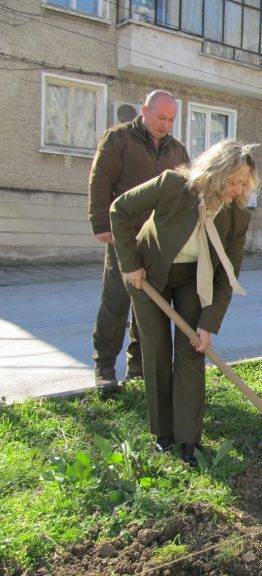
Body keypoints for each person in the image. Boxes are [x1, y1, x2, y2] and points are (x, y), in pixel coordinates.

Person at [110, 139, 256, 466]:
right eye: (231, 181)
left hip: (194, 279)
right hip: (149, 274)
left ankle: (188, 439)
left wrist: (207, 325)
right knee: (157, 350)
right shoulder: (173, 185)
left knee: (191, 351)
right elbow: (119, 210)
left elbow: (227, 276)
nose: (236, 189)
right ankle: (163, 434)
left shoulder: (237, 218)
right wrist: (131, 263)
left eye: (244, 183)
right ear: (215, 173)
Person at [88, 90, 189, 393]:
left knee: (148, 308)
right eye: (161, 117)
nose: (165, 125)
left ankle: (138, 368)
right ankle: (105, 368)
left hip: (158, 244)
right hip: (124, 237)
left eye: (171, 119)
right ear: (144, 110)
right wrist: (101, 223)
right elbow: (100, 180)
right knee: (116, 303)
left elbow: (186, 191)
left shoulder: (178, 151)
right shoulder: (118, 139)